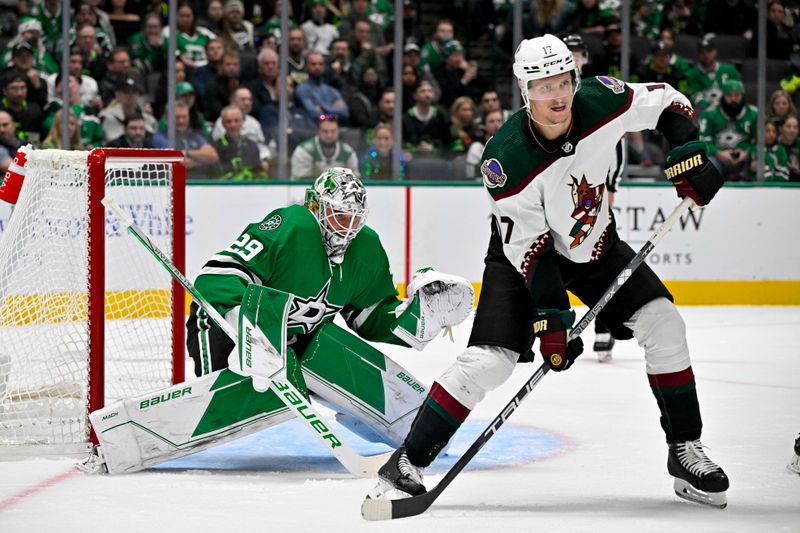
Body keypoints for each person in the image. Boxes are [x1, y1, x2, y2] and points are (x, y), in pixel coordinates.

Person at [370, 33, 728, 509]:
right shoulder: (506, 159)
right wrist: (551, 318)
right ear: (525, 92)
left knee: (665, 324)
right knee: (490, 362)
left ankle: (684, 449)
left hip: (595, 244)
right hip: (523, 259)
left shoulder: (601, 99)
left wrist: (689, 150)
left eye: (563, 82)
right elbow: (532, 252)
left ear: (575, 79)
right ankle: (408, 460)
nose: (556, 96)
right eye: (542, 87)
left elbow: (665, 101)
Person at [186, 168, 472, 453]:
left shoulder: (366, 247)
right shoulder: (291, 226)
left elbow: (370, 318)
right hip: (223, 330)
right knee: (240, 398)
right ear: (316, 206)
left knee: (326, 344)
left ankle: (416, 429)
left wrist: (418, 318)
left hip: (289, 349)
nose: (347, 227)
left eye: (355, 218)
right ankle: (209, 398)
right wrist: (248, 330)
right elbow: (214, 279)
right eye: (339, 215)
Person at [698, 79, 758, 182]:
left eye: (737, 95)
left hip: (746, 160)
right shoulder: (709, 114)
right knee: (706, 165)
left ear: (742, 96)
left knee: (760, 161)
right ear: (723, 96)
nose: (733, 99)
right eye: (729, 96)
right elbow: (702, 141)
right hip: (717, 159)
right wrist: (718, 153)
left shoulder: (754, 114)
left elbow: (760, 141)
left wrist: (747, 152)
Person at [291, 114, 359, 179]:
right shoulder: (304, 151)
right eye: (325, 131)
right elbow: (299, 180)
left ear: (338, 131)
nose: (329, 135)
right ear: (318, 131)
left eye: (333, 131)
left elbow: (355, 178)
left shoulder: (347, 152)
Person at [213, 105, 268, 180]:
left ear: (242, 122)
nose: (233, 125)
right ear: (223, 124)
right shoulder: (216, 146)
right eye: (228, 122)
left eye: (236, 121)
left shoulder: (252, 145)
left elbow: (258, 173)